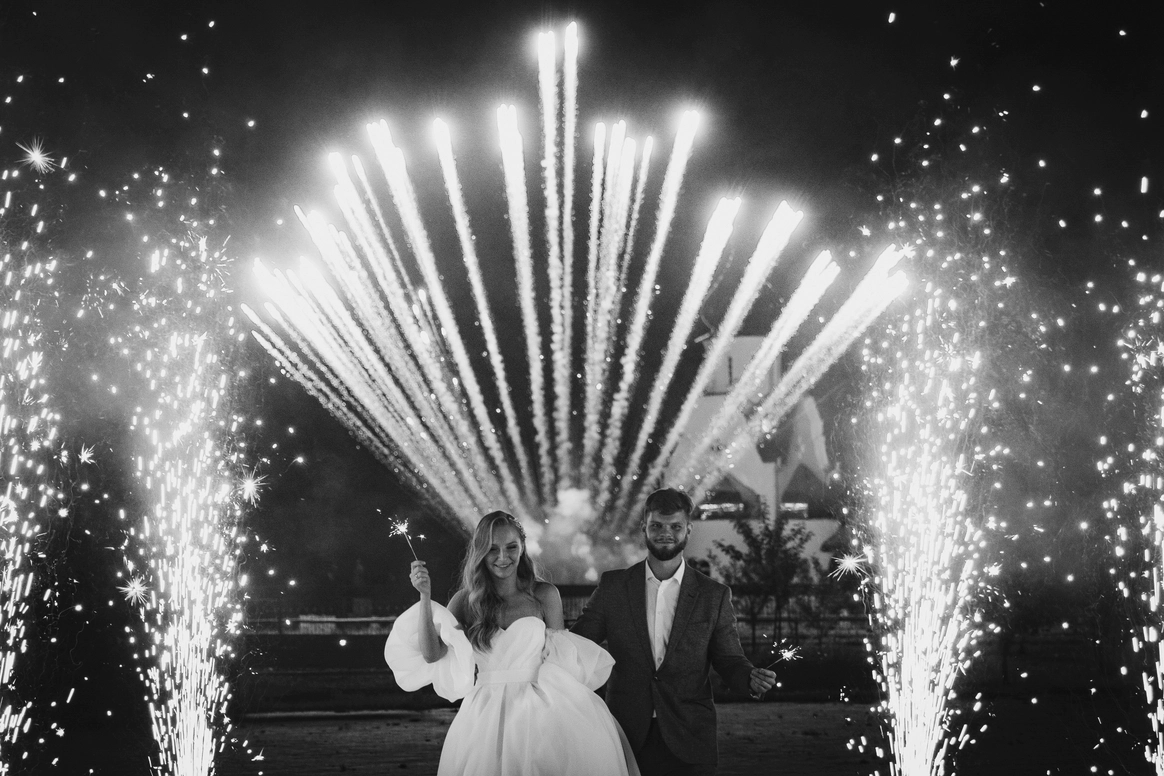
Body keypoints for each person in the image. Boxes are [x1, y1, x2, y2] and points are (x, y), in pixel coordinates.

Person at [384, 510, 640, 776]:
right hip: (484, 715)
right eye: (492, 549)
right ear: (480, 552)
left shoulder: (544, 595)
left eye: (511, 547)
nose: (503, 557)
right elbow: (431, 655)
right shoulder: (465, 601)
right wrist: (425, 597)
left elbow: (562, 659)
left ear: (523, 548)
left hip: (542, 713)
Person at [571, 488, 778, 776]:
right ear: (644, 527)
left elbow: (729, 659)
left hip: (690, 736)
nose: (665, 533)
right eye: (656, 525)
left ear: (688, 530)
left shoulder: (714, 595)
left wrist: (750, 679)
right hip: (624, 734)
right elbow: (576, 644)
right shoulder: (613, 587)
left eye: (675, 527)